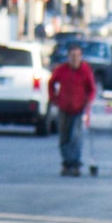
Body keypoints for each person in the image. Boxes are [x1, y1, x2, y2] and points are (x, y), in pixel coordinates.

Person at [47, 40, 99, 177]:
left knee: (76, 136)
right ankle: (67, 162)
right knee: (64, 136)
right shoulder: (62, 70)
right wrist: (54, 98)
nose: (74, 59)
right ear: (68, 57)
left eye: (77, 56)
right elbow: (51, 83)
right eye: (72, 56)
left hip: (79, 107)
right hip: (64, 107)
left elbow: (92, 89)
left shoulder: (85, 70)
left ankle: (75, 163)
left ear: (81, 56)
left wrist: (88, 102)